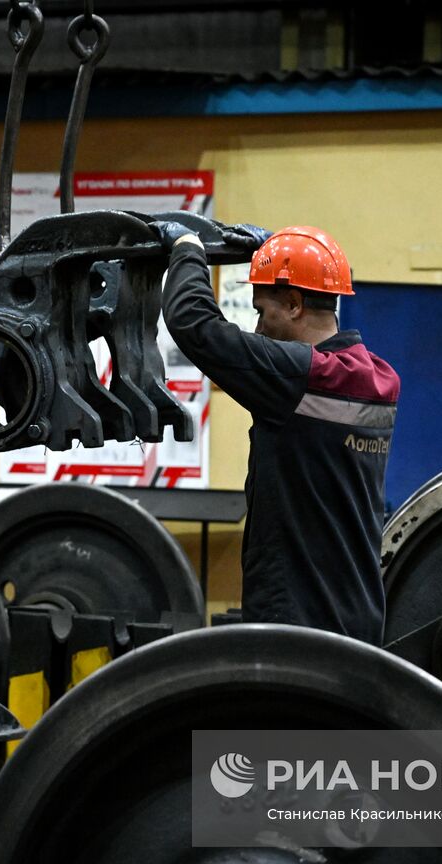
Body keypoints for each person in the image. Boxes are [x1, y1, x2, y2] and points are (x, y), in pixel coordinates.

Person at [153, 220, 400, 645]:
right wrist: (272, 249)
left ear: (295, 304)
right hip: (357, 613)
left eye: (261, 311)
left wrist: (187, 247)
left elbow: (194, 324)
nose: (258, 328)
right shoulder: (376, 380)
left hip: (297, 620)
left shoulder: (303, 379)